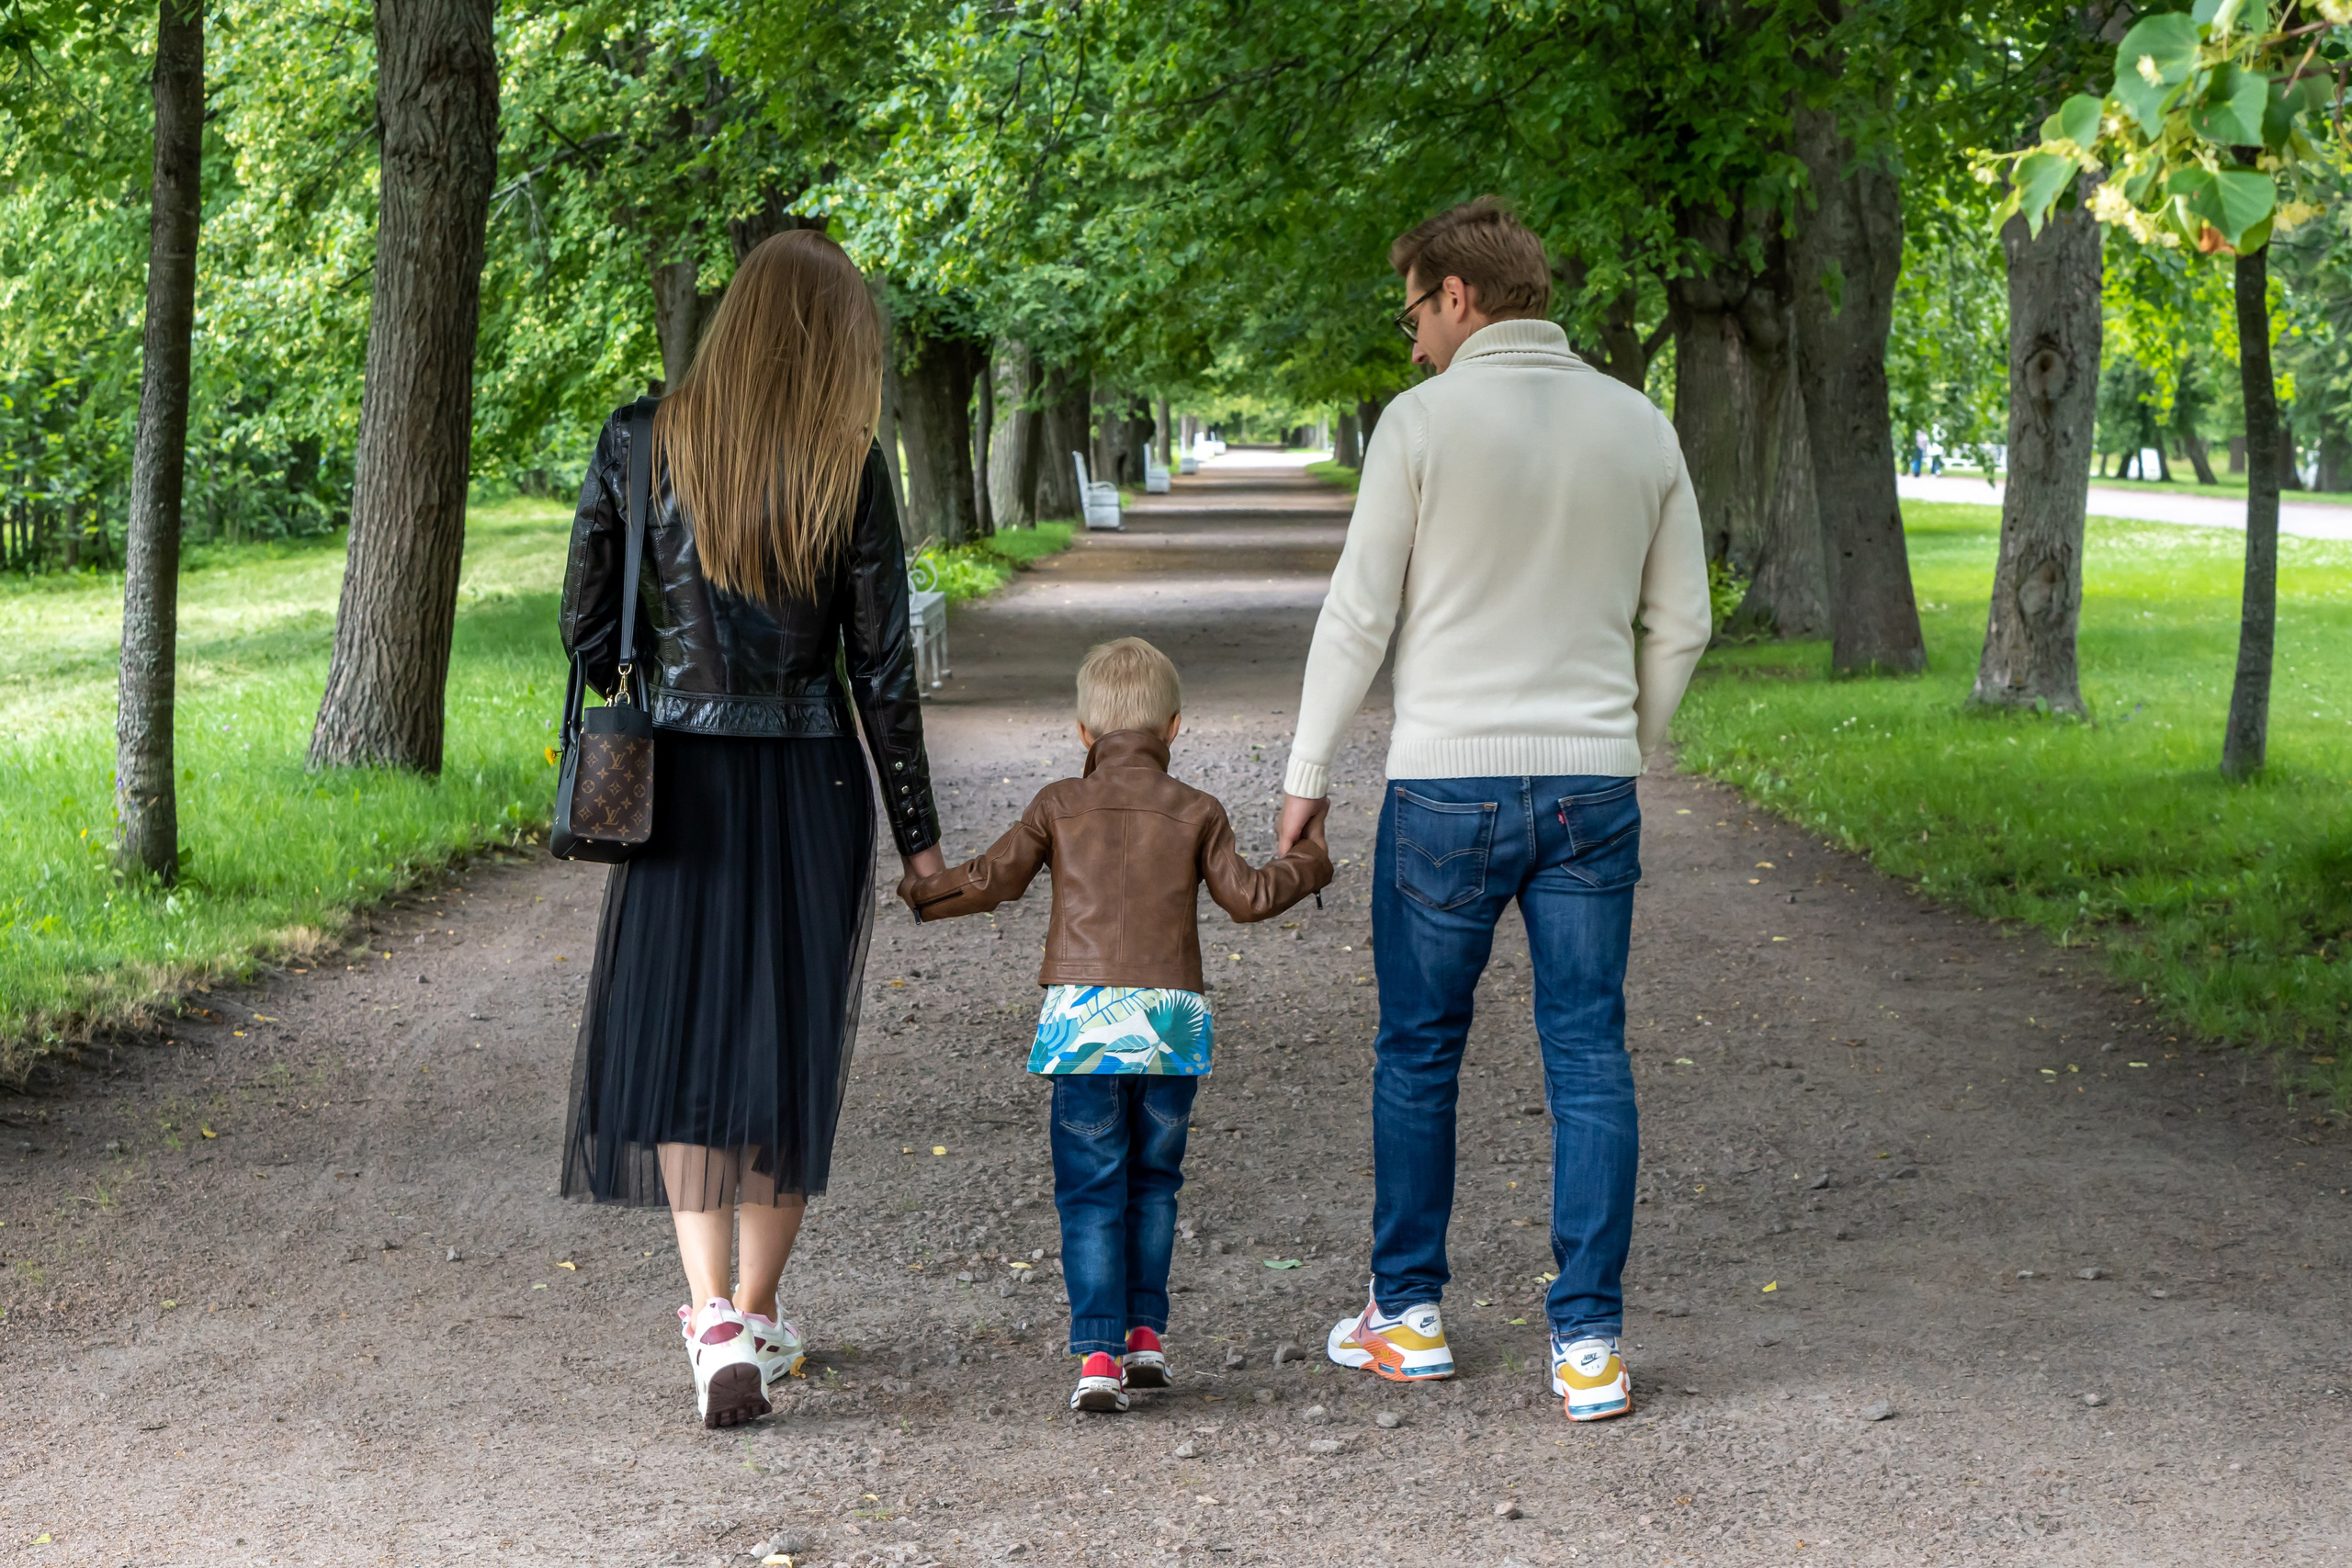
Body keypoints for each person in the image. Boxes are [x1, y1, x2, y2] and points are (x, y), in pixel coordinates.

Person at [1274, 197, 1712, 1421]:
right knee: (1589, 1052)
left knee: (1420, 1050)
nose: (1412, 340)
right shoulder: (1638, 423)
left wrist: (1306, 776)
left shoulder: (1419, 426)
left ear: (1459, 296)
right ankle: (1589, 1344)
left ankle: (1407, 1315)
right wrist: (1627, 734)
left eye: (1414, 310)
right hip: (1590, 784)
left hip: (1444, 787)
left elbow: (1360, 611)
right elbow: (1685, 619)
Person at [557, 230, 946, 1428]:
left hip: (674, 781)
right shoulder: (848, 459)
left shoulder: (639, 437)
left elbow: (583, 625)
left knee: (681, 1040)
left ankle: (709, 1310)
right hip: (804, 781)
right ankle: (758, 1309)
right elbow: (882, 667)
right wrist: (921, 839)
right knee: (782, 1045)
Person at [898, 637, 1330, 1413]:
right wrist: (1313, 860)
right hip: (1169, 1024)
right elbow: (1251, 897)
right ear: (1173, 728)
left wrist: (924, 889)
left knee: (1091, 1187)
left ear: (1083, 733)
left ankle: (1098, 1352)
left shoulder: (1059, 803)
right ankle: (1146, 1338)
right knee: (1155, 1183)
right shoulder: (1199, 809)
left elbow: (992, 881)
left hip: (1083, 1023)